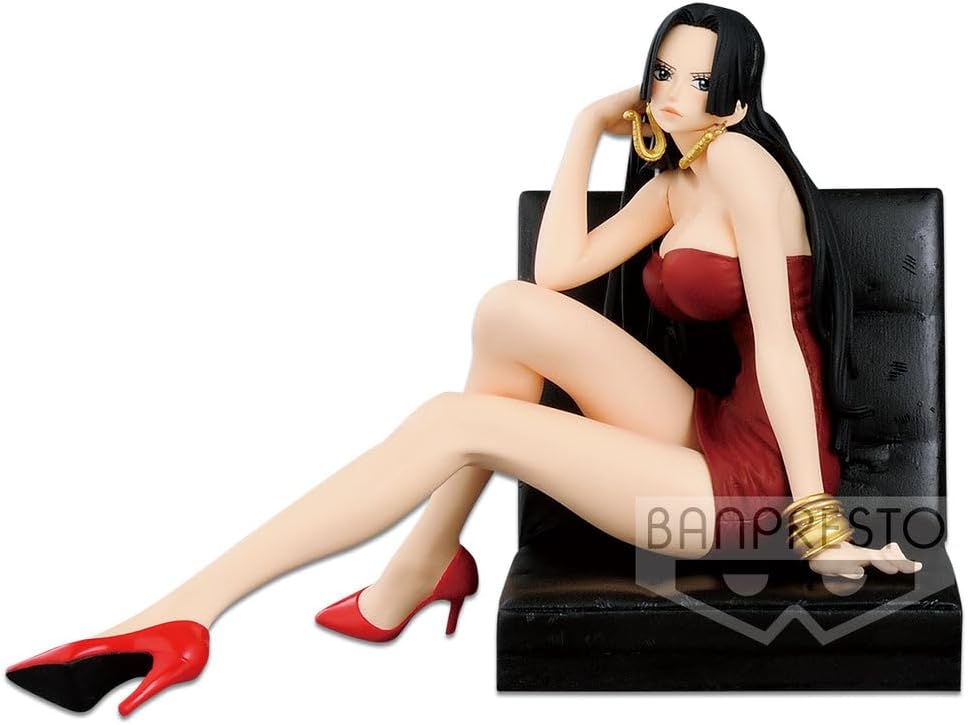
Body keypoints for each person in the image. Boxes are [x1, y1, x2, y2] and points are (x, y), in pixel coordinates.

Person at [5, 3, 921, 717]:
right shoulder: (681, 178)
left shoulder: (744, 169)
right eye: (662, 70)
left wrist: (818, 528)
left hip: (756, 486)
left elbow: (784, 356)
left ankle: (191, 611)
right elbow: (557, 271)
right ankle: (429, 560)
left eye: (699, 77)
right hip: (715, 428)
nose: (672, 89)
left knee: (458, 420)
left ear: (738, 101)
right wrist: (581, 129)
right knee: (508, 308)